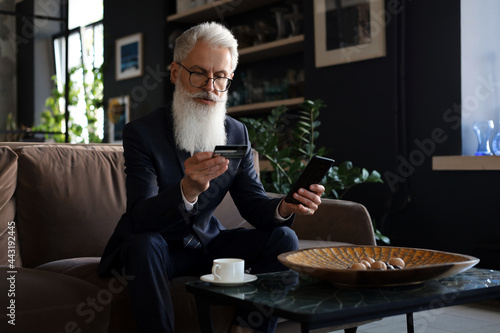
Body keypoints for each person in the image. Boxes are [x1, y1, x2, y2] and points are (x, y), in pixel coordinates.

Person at [98, 21, 325, 333]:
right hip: (157, 249)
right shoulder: (142, 133)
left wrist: (286, 206)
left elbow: (254, 204)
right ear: (175, 73)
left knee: (283, 238)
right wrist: (186, 190)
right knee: (145, 244)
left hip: (207, 245)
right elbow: (140, 217)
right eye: (199, 73)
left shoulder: (236, 132)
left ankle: (246, 330)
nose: (210, 86)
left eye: (220, 77)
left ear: (229, 78)